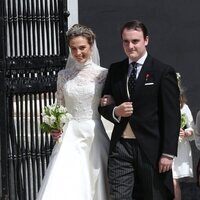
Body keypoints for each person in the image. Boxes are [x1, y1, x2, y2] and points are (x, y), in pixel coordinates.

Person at [99, 20, 180, 200]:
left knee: (154, 196)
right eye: (126, 41)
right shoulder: (116, 70)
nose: (130, 46)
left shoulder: (162, 71)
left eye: (135, 41)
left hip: (151, 149)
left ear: (146, 40)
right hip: (120, 147)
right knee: (120, 197)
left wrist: (168, 153)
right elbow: (103, 105)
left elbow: (172, 115)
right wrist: (115, 111)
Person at [36, 24, 110, 200]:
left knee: (94, 182)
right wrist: (55, 126)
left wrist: (109, 102)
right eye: (73, 48)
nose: (78, 53)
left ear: (91, 46)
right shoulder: (63, 75)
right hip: (69, 135)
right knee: (67, 182)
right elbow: (59, 107)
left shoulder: (104, 74)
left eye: (82, 47)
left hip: (94, 134)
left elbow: (108, 105)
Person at [172, 90, 194, 200]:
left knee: (173, 179)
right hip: (160, 147)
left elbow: (192, 129)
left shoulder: (184, 107)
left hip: (178, 148)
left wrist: (186, 132)